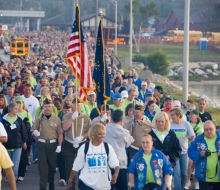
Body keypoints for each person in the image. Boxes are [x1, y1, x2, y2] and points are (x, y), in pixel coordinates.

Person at [67, 123, 120, 190]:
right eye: (100, 134)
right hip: (87, 185)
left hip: (104, 186)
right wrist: (70, 181)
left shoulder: (107, 147)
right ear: (93, 135)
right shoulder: (84, 148)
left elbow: (115, 163)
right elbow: (76, 166)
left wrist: (116, 174)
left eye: (104, 134)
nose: (102, 136)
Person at [32, 98, 63, 190]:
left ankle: (51, 181)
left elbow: (60, 133)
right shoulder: (39, 119)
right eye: (45, 106)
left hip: (53, 145)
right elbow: (33, 131)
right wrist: (35, 133)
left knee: (52, 166)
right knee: (42, 167)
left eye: (49, 106)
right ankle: (42, 186)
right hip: (41, 144)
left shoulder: (57, 119)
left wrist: (59, 145)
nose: (47, 108)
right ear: (43, 108)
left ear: (52, 107)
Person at [62, 98, 92, 187]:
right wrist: (72, 118)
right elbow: (64, 128)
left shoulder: (86, 117)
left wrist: (82, 137)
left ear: (81, 106)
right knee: (69, 167)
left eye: (78, 105)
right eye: (74, 105)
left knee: (83, 167)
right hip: (69, 144)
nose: (77, 107)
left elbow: (90, 131)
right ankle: (71, 186)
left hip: (81, 143)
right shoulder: (66, 116)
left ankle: (82, 187)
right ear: (72, 105)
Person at [104, 109, 133, 190]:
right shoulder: (125, 132)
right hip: (121, 163)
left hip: (107, 162)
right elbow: (128, 144)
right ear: (121, 119)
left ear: (111, 118)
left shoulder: (104, 129)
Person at [188, 120, 220, 190]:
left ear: (215, 128)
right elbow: (190, 152)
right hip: (203, 178)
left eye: (210, 129)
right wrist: (199, 154)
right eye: (206, 129)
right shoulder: (198, 139)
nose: (208, 131)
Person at [170, 107, 195, 190]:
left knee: (184, 173)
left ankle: (182, 186)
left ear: (178, 115)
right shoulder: (170, 124)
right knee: (177, 173)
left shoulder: (186, 124)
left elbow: (192, 136)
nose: (171, 116)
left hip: (184, 152)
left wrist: (192, 141)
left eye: (173, 115)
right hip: (174, 153)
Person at [2, 102, 28, 180]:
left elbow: (23, 132)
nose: (17, 110)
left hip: (17, 145)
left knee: (15, 164)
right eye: (15, 109)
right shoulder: (3, 120)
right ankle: (8, 178)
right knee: (8, 164)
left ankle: (14, 178)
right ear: (10, 109)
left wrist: (24, 141)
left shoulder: (19, 120)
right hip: (7, 145)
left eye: (17, 108)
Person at [185, 109, 204, 190]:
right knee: (189, 164)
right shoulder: (187, 124)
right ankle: (188, 180)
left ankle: (196, 182)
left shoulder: (200, 126)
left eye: (192, 114)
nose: (190, 116)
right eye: (189, 114)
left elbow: (201, 137)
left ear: (196, 116)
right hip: (189, 147)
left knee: (196, 166)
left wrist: (193, 137)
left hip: (198, 148)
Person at [15, 96, 33, 181]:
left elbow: (29, 127)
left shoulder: (26, 114)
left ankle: (21, 174)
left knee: (23, 156)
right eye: (17, 103)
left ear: (23, 104)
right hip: (15, 138)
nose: (19, 105)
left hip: (24, 137)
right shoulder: (13, 113)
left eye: (20, 103)